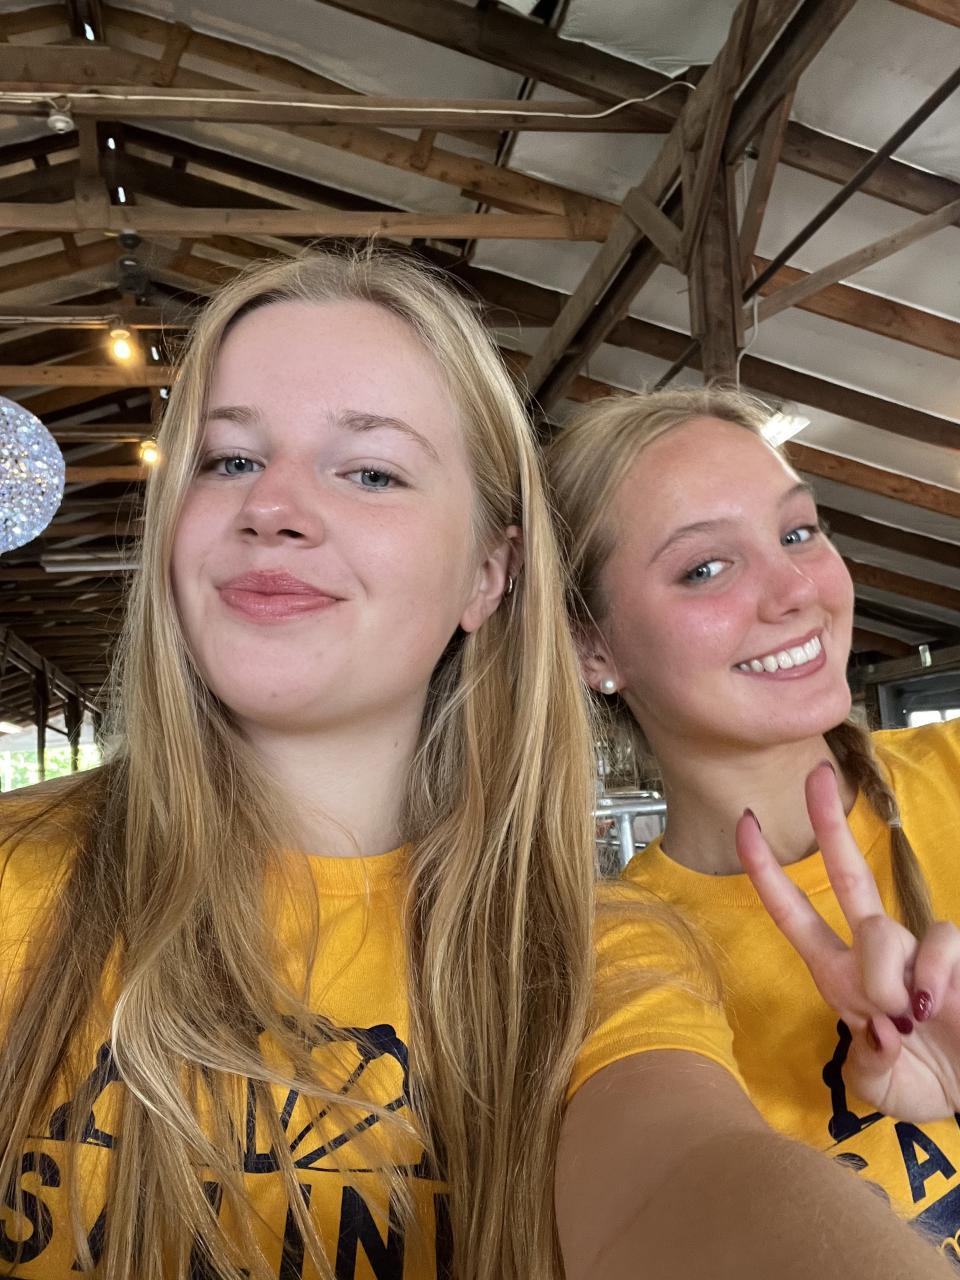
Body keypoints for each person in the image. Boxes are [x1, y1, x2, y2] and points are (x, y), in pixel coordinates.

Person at [0, 258, 953, 1280]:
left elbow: (681, 1178)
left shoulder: (588, 960)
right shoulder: (22, 877)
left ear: (488, 574)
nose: (271, 504)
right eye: (228, 459)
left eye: (371, 471)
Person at [547, 384, 960, 1262]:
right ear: (593, 648)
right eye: (705, 568)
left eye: (799, 533)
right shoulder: (616, 955)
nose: (795, 590)